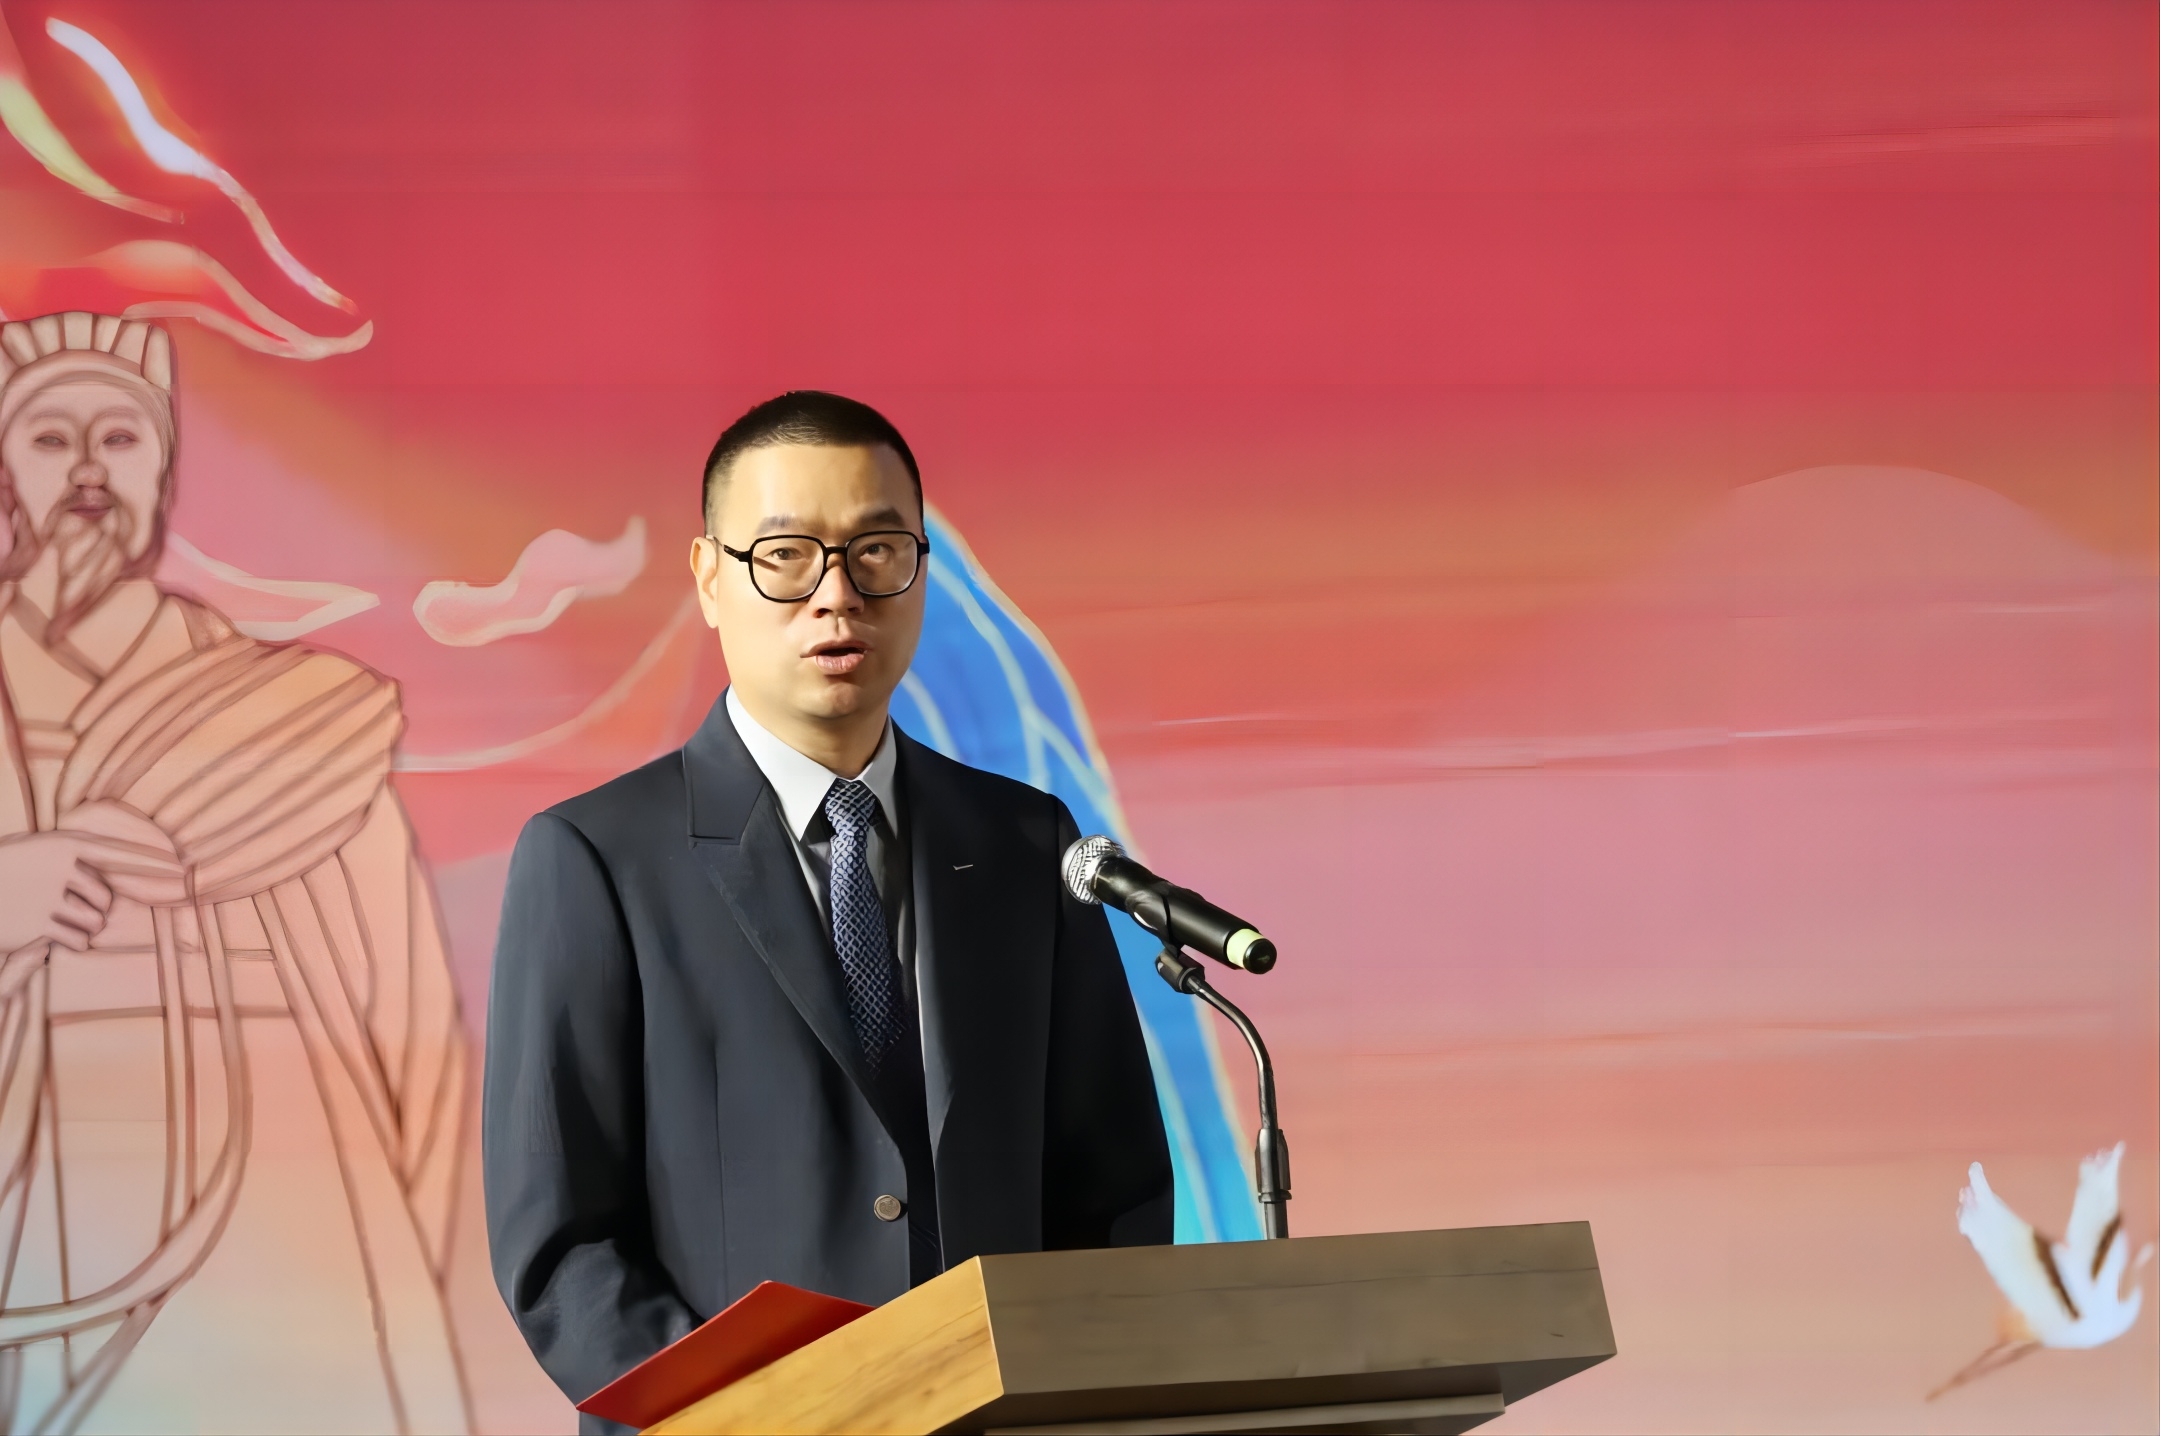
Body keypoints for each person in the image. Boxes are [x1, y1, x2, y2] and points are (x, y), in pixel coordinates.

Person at [483, 392, 1172, 1418]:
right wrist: (776, 1412)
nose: (837, 596)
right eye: (786, 556)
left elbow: (1114, 1194)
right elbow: (563, 1248)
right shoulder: (594, 859)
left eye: (877, 551)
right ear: (710, 577)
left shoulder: (1027, 843)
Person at [0, 312, 469, 1432]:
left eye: (121, 437)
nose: (88, 471)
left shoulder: (283, 719)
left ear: (163, 471)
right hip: (36, 1196)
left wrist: (404, 1239)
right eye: (51, 438)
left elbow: (405, 1009)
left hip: (278, 1198)